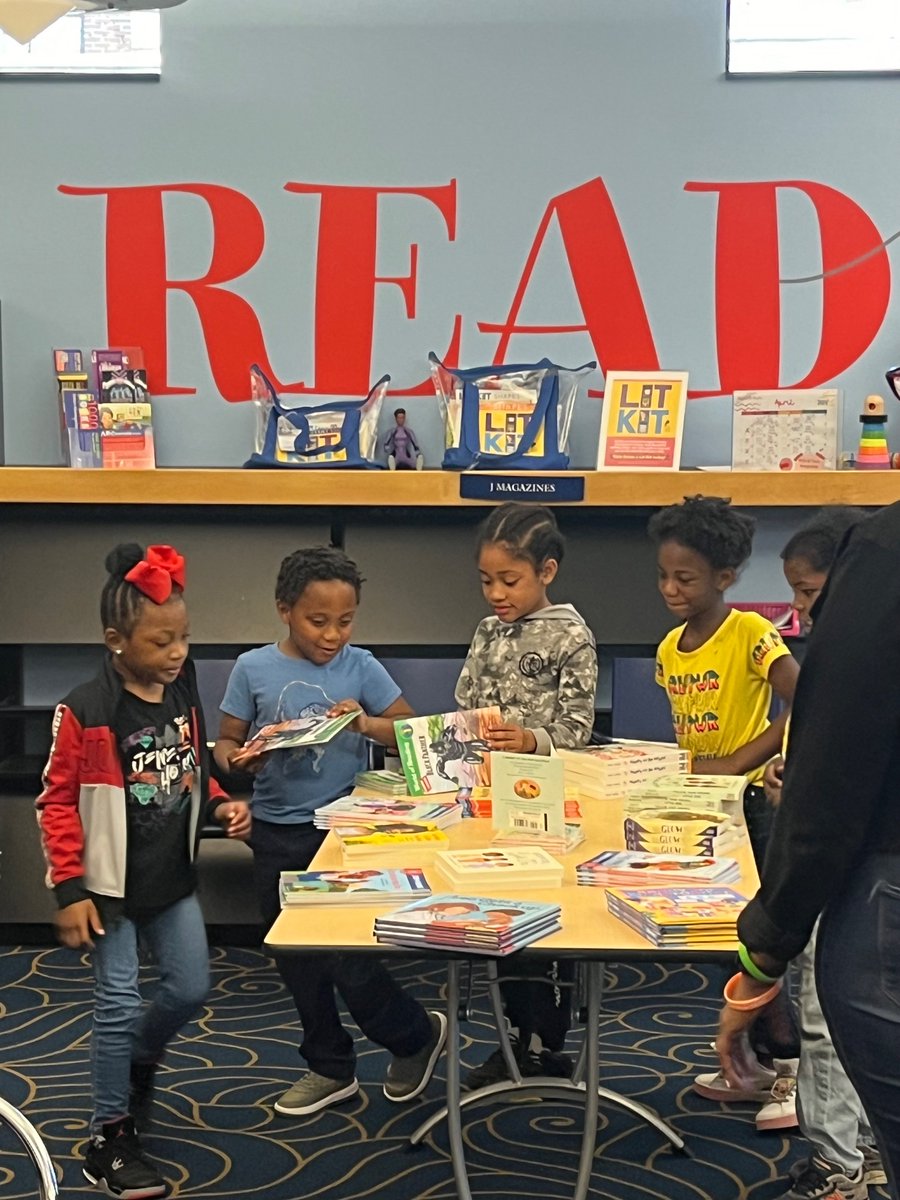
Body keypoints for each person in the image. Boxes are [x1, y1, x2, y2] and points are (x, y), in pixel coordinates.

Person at [35, 543, 250, 1199]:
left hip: (171, 880)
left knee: (189, 990)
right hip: (110, 891)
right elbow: (56, 802)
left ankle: (138, 1058)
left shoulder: (180, 694)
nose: (177, 652)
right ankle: (110, 1134)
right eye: (161, 641)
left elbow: (190, 771)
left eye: (183, 637)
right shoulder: (87, 710)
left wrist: (219, 802)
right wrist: (69, 889)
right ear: (116, 641)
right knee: (117, 1001)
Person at [214, 546, 446, 1117]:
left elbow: (410, 729)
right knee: (295, 957)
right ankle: (329, 1066)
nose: (333, 635)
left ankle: (414, 1035)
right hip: (275, 830)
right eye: (318, 621)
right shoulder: (253, 668)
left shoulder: (361, 665)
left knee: (348, 956)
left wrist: (364, 721)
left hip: (345, 832)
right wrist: (237, 762)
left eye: (345, 621)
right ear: (284, 610)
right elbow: (224, 744)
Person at [729, 508, 886, 1200]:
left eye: (810, 592)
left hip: (867, 873)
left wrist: (762, 956)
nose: (801, 607)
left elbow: (841, 770)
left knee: (824, 1015)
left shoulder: (881, 561)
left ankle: (838, 1165)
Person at [647, 495, 802, 1122]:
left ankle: (794, 1071)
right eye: (663, 575)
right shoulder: (669, 648)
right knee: (728, 936)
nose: (670, 589)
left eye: (685, 578)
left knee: (765, 936)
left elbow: (802, 698)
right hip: (703, 807)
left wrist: (740, 760)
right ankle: (756, 1064)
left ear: (725, 577)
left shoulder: (752, 633)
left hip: (756, 807)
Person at [455, 503, 598, 1087]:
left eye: (509, 581)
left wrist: (531, 740)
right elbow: (464, 702)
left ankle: (544, 1039)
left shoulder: (571, 635)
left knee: (541, 922)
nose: (495, 593)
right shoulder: (488, 632)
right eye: (486, 580)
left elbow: (578, 729)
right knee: (497, 915)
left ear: (547, 571)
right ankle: (514, 1035)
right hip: (487, 799)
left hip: (548, 801)